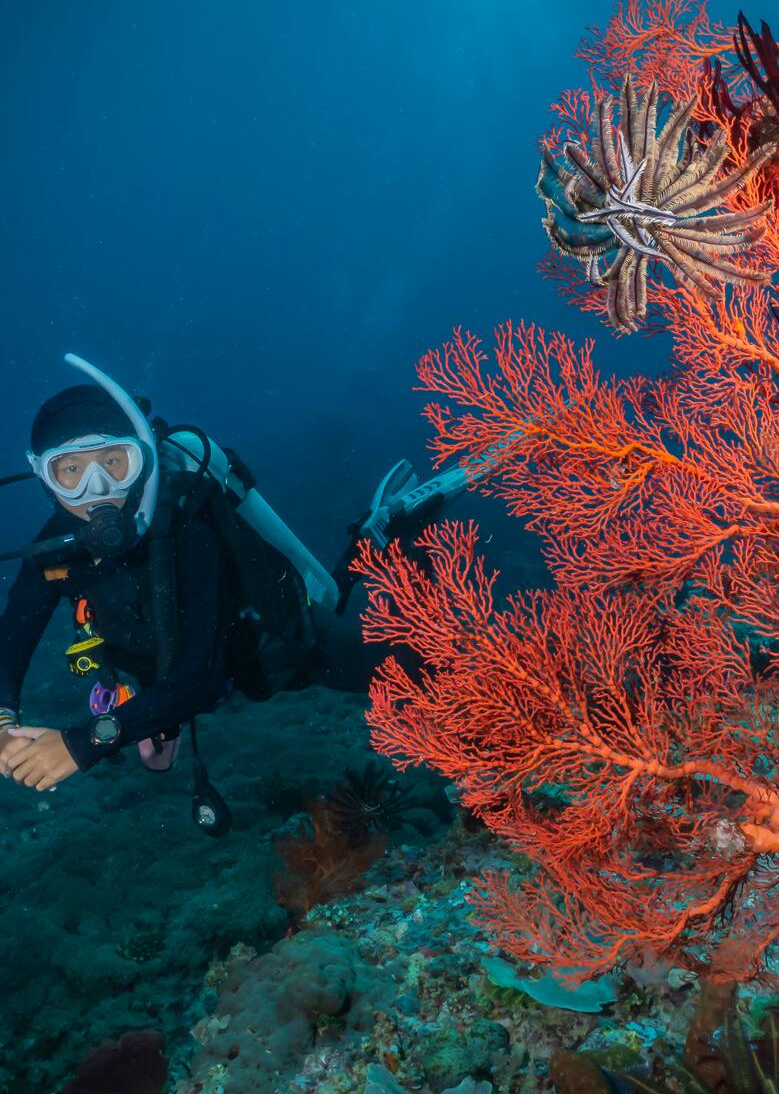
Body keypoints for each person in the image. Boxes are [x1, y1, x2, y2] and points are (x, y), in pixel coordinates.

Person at [0, 354, 465, 831]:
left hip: (268, 645)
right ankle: (364, 545)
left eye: (114, 463)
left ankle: (398, 535)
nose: (97, 488)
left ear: (141, 460)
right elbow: (13, 634)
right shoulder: (56, 549)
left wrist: (84, 744)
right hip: (166, 678)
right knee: (152, 751)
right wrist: (2, 720)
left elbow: (198, 679)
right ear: (44, 478)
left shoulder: (185, 531)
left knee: (413, 673)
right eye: (70, 470)